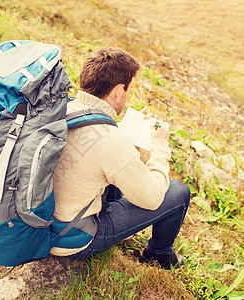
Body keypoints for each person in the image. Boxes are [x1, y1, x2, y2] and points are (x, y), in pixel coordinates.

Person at [51, 47, 191, 269]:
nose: (127, 96)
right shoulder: (112, 142)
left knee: (111, 174)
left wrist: (124, 131)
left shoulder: (63, 108)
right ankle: (158, 254)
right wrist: (160, 146)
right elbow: (153, 198)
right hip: (71, 238)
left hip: (41, 223)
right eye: (128, 90)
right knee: (178, 192)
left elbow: (92, 147)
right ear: (118, 91)